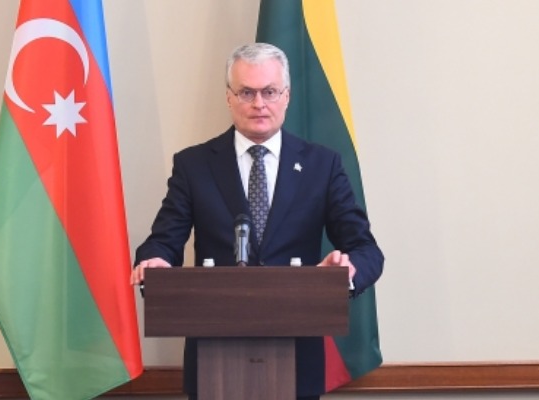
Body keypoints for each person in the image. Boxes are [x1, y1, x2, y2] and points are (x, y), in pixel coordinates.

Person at [131, 42, 384, 400]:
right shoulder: (194, 165)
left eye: (269, 91)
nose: (259, 103)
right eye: (247, 92)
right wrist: (153, 262)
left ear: (287, 96)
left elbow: (366, 249)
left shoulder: (322, 165)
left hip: (297, 359)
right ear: (229, 97)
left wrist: (347, 271)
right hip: (215, 363)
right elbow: (163, 241)